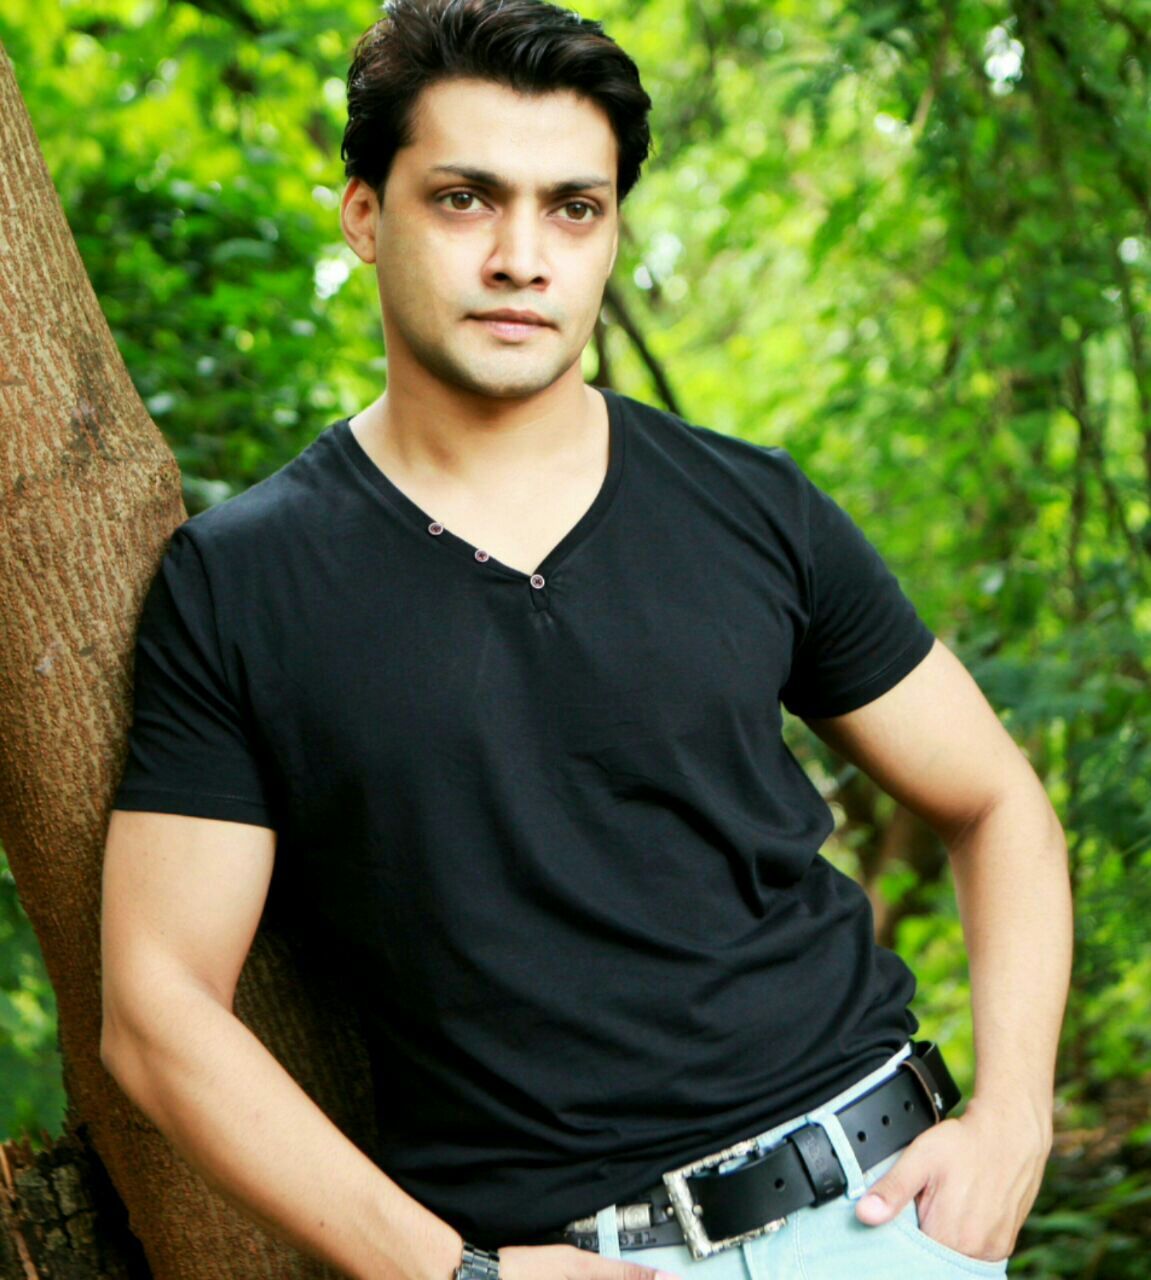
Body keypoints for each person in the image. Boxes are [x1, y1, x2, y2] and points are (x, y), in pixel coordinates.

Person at [99, 1, 1073, 1277]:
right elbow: (156, 1007)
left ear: (610, 233)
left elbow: (995, 799)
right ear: (364, 214)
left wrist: (1015, 1115)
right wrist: (451, 1274)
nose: (521, 257)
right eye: (464, 199)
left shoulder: (750, 504)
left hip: (881, 1221)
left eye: (572, 207)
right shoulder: (241, 582)